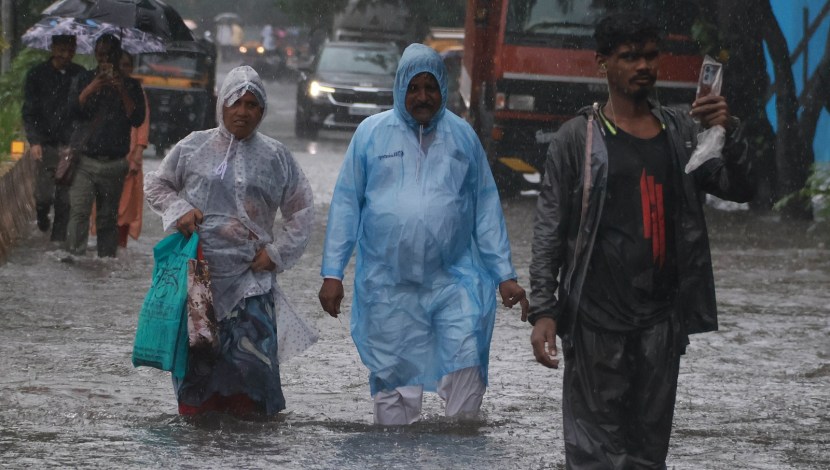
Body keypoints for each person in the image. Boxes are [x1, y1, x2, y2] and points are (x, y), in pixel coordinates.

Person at [526, 13, 755, 468]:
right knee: (593, 453)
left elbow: (740, 189)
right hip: (594, 321)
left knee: (648, 454)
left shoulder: (682, 133)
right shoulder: (578, 139)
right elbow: (549, 227)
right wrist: (543, 310)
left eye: (651, 55)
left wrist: (728, 133)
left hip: (660, 322)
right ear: (603, 63)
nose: (642, 66)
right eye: (629, 57)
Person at [319, 44, 529, 425]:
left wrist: (505, 276)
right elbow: (347, 205)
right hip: (388, 285)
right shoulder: (371, 135)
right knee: (393, 390)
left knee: (466, 363)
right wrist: (332, 273)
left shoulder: (462, 137)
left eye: (430, 87)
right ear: (400, 88)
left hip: (455, 281)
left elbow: (485, 208)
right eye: (413, 87)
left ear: (443, 90)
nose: (422, 96)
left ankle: (459, 455)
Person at [144, 65, 317, 417]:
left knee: (253, 374)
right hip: (197, 281)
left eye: (252, 104)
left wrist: (277, 253)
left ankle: (251, 444)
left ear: (262, 110)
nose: (243, 111)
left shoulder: (276, 156)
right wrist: (180, 210)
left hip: (252, 282)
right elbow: (156, 185)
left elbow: (301, 210)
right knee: (198, 373)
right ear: (221, 105)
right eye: (235, 102)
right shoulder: (193, 146)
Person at [65, 34, 145, 257]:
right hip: (85, 160)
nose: (104, 58)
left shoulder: (130, 85)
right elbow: (72, 111)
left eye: (109, 54)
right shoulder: (83, 79)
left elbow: (137, 118)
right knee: (79, 212)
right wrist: (91, 88)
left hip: (115, 161)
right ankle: (74, 256)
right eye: (100, 53)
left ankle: (106, 261)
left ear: (117, 55)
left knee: (108, 218)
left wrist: (121, 90)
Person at [22, 34, 84, 241]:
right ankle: (42, 216)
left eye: (70, 50)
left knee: (65, 199)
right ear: (53, 48)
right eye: (62, 49)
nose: (66, 54)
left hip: (70, 145)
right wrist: (34, 141)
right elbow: (29, 111)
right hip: (46, 144)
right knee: (44, 195)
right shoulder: (37, 75)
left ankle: (58, 241)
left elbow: (83, 111)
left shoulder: (79, 75)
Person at [89, 51, 149, 248]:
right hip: (107, 155)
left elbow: (142, 123)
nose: (123, 69)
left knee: (125, 206)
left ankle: (118, 246)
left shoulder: (134, 89)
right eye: (120, 65)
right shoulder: (101, 88)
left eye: (127, 65)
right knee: (103, 205)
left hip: (129, 157)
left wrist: (137, 154)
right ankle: (105, 248)